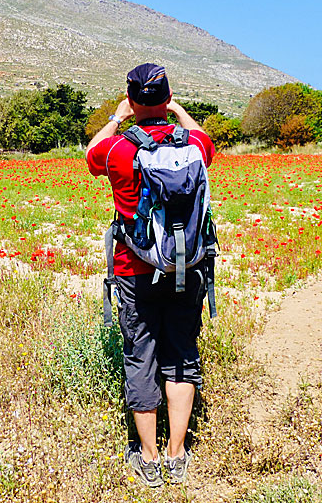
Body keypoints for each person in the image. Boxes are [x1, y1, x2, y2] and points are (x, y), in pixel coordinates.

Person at [86, 63, 215, 487]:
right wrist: (176, 110)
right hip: (187, 268)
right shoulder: (193, 143)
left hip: (134, 271)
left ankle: (149, 457)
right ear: (166, 96)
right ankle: (178, 456)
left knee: (141, 358)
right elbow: (208, 144)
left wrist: (117, 117)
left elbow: (91, 155)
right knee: (181, 355)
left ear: (131, 98)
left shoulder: (119, 150)